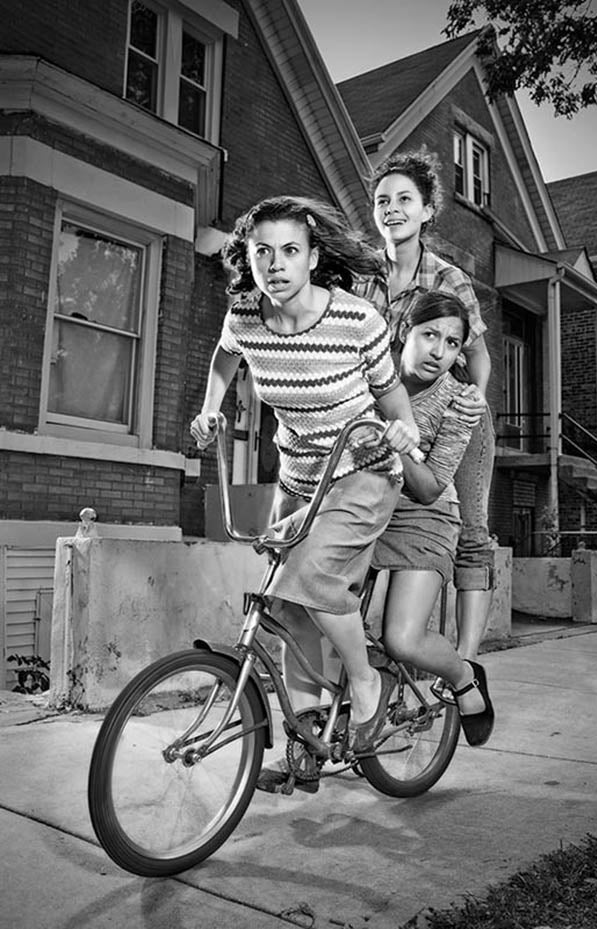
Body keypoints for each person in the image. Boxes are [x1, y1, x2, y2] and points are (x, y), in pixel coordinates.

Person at [190, 194, 421, 772]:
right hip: (298, 477)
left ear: (313, 258)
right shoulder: (245, 315)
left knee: (312, 578)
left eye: (290, 250)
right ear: (249, 256)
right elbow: (225, 357)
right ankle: (309, 739)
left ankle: (367, 683)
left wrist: (401, 433)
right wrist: (211, 408)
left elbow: (400, 409)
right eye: (262, 251)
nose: (275, 264)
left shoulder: (356, 320)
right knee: (287, 609)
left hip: (363, 472)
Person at [354, 148, 495, 694]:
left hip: (452, 409)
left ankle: (463, 664)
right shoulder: (365, 272)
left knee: (470, 530)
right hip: (391, 408)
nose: (392, 209)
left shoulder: (447, 276)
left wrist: (471, 402)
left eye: (404, 200)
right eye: (382, 200)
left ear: (427, 210)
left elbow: (476, 354)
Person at [372, 290, 494, 747]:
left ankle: (464, 677)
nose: (439, 351)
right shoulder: (372, 374)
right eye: (429, 336)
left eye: (453, 343)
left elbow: (430, 488)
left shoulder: (460, 402)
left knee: (402, 639)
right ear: (406, 332)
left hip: (424, 518)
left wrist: (394, 445)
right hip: (364, 506)